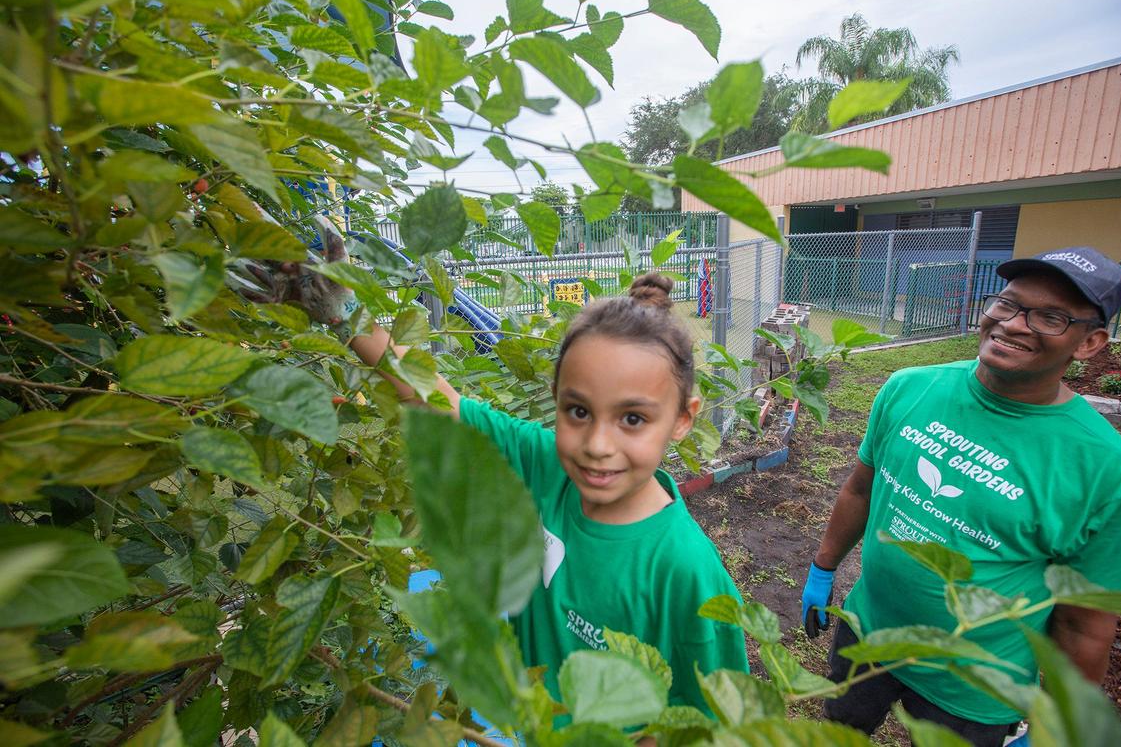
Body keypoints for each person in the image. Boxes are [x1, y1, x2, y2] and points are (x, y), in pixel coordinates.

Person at [242, 218, 749, 715]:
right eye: (578, 411)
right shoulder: (545, 462)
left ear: (683, 419)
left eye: (632, 418)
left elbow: (716, 721)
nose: (597, 444)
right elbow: (434, 400)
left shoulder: (687, 573)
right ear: (555, 403)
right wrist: (346, 312)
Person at [799, 245, 1121, 745]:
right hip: (868, 630)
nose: (1015, 324)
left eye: (1050, 317)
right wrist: (823, 568)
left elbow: (1084, 623)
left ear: (1089, 342)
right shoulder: (908, 387)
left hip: (974, 685)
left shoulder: (1109, 470)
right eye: (1007, 304)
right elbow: (861, 487)